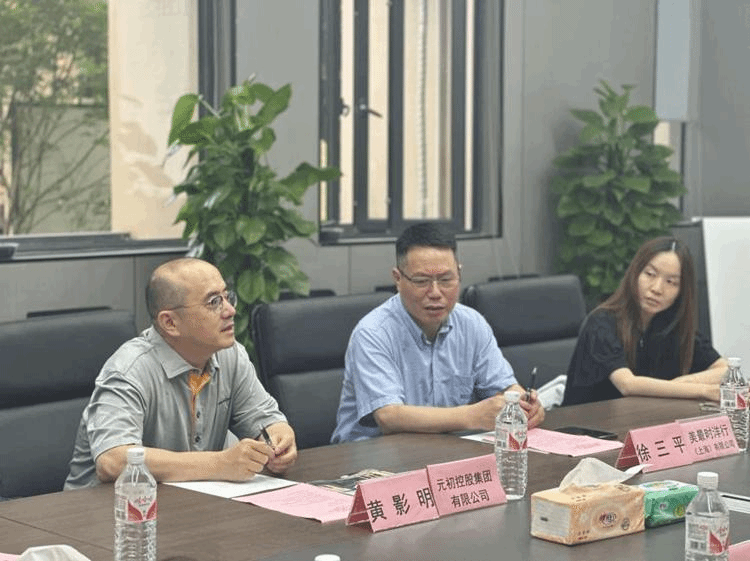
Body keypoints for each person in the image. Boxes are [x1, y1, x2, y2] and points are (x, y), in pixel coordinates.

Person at [64, 258, 297, 489]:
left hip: (186, 502)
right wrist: (218, 464)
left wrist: (279, 439)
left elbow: (265, 419)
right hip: (104, 508)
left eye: (227, 297)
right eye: (214, 302)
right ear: (170, 323)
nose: (230, 310)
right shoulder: (130, 369)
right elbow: (113, 460)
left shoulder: (230, 355)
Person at [331, 223, 545, 443]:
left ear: (459, 273)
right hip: (372, 456)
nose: (435, 293)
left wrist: (522, 403)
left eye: (445, 280)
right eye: (421, 281)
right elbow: (389, 417)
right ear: (398, 279)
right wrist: (473, 416)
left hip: (448, 450)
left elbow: (503, 387)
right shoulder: (373, 333)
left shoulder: (472, 324)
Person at [563, 236, 727, 406]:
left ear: (682, 291)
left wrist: (682, 383)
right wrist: (704, 390)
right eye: (650, 274)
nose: (657, 288)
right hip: (588, 419)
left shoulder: (671, 325)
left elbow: (725, 370)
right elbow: (627, 384)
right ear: (635, 273)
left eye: (671, 282)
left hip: (642, 417)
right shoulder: (602, 322)